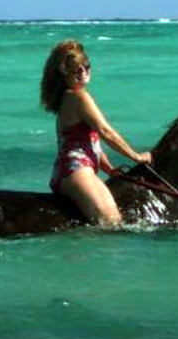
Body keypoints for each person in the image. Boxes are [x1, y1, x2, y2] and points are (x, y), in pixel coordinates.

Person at [40, 40, 152, 226]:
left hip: (72, 170)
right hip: (76, 171)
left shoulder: (68, 98)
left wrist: (109, 169)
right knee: (110, 222)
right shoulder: (78, 97)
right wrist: (136, 157)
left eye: (86, 66)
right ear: (63, 73)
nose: (82, 71)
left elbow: (90, 144)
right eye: (75, 69)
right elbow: (105, 132)